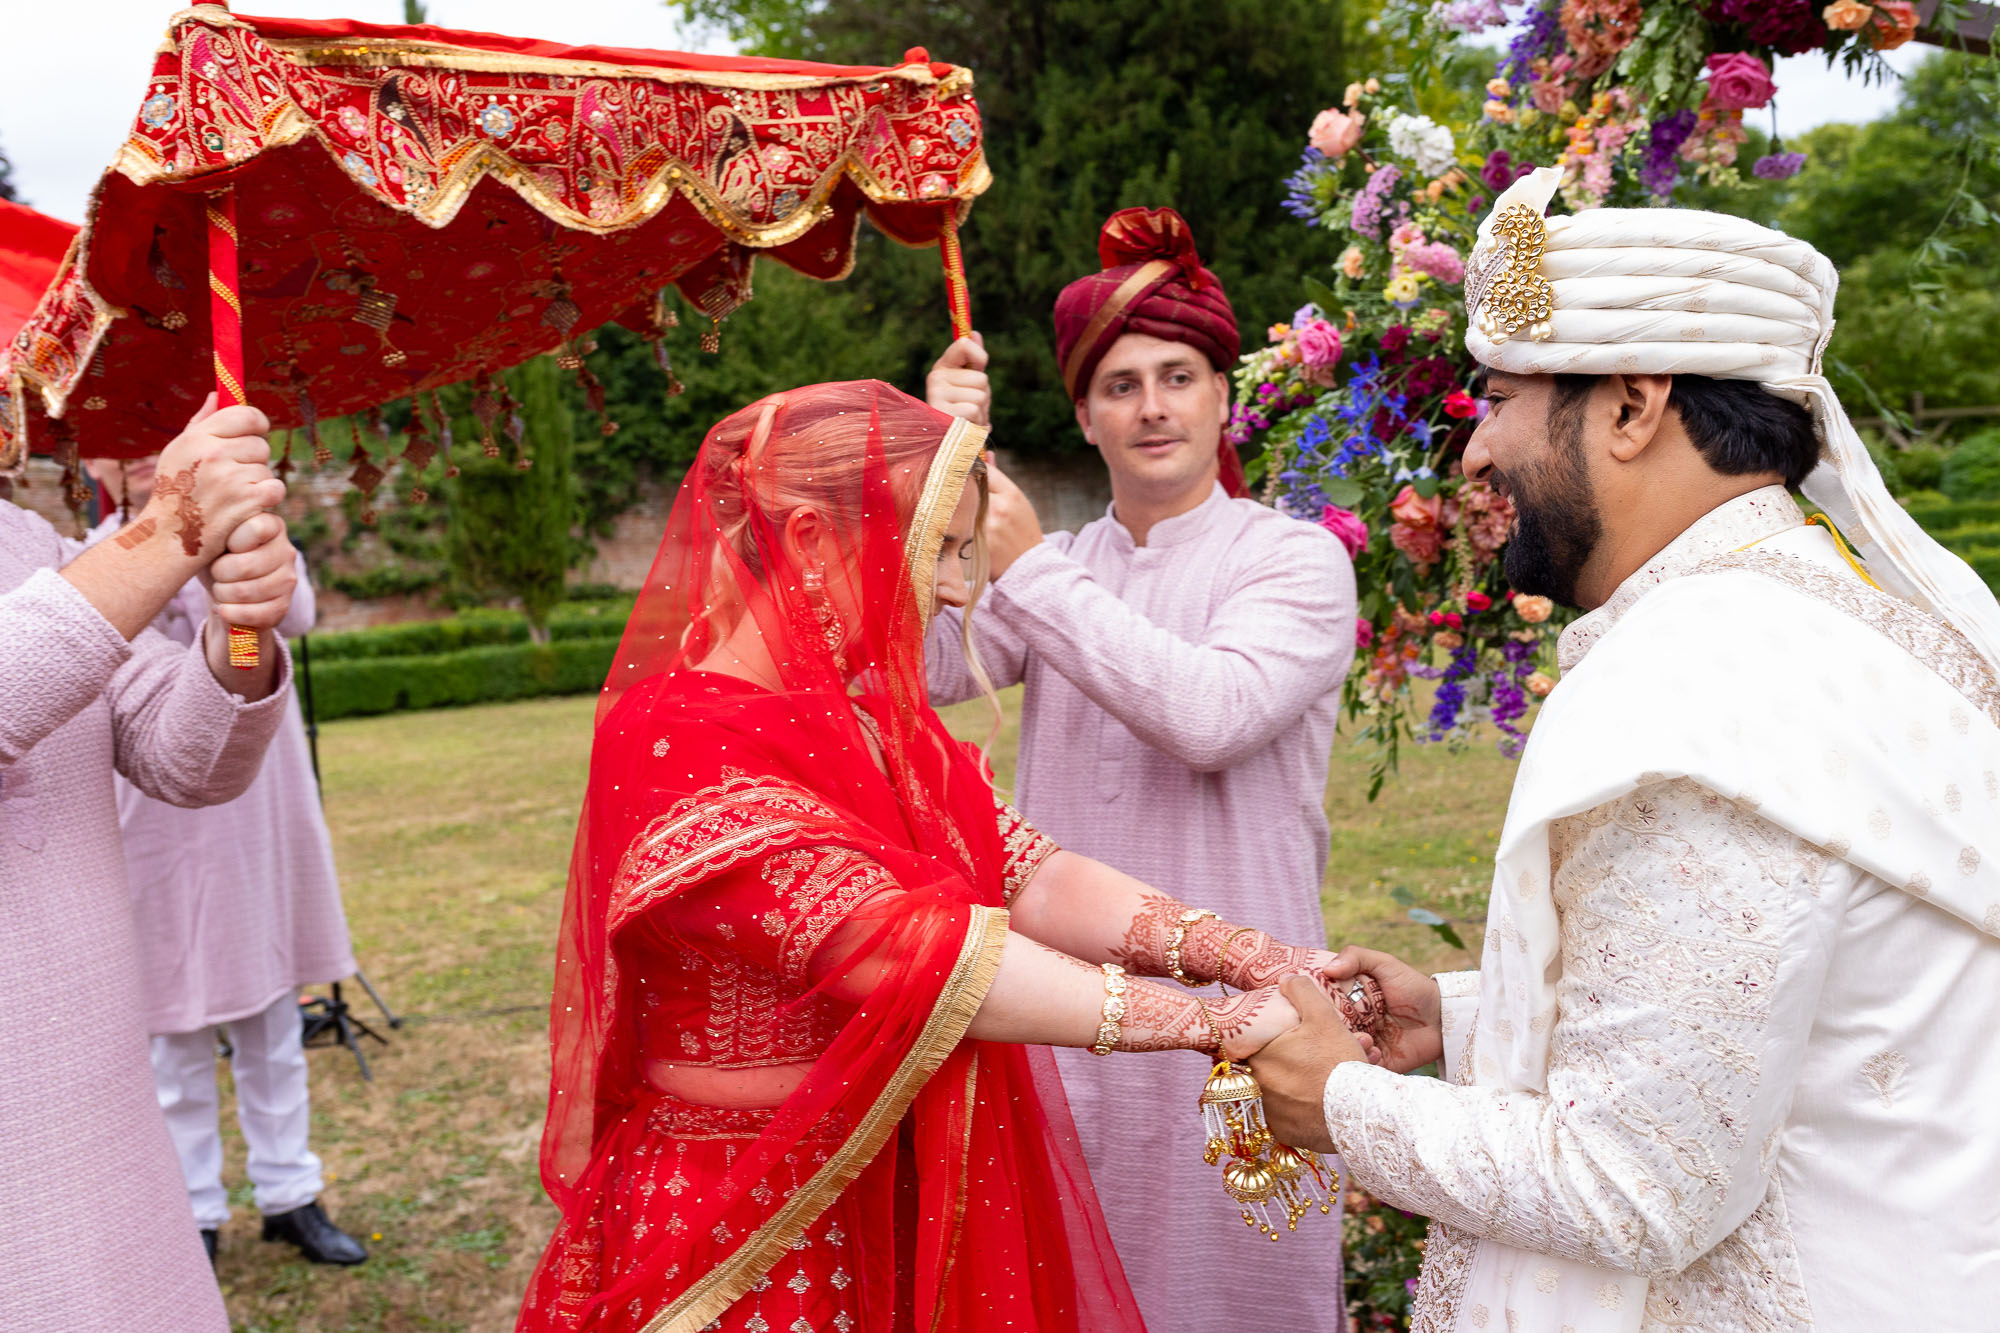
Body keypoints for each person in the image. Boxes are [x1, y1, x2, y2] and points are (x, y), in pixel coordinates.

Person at [1248, 169, 2000, 1331]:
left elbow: (1639, 1183)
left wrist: (1337, 1106)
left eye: (1498, 398)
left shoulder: (1693, 685)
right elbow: (1787, 989)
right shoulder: (1827, 615)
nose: (1474, 455)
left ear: (1632, 405)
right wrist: (1468, 1011)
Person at [515, 381, 1350, 1333]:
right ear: (804, 540)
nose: (960, 587)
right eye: (942, 550)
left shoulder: (879, 730)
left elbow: (1038, 876)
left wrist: (1263, 960)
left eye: (965, 552)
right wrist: (1214, 1024)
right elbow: (917, 956)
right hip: (748, 1215)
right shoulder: (675, 736)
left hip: (901, 1187)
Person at [924, 206, 1358, 1332]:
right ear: (1082, 414)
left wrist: (1028, 576)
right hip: (1065, 1003)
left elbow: (1210, 713)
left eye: (1177, 375)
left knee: (1236, 1293)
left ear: (1223, 396)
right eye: (1120, 384)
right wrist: (926, 479)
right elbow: (916, 671)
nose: (1152, 406)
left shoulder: (1293, 558)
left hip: (1246, 999)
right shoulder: (1055, 566)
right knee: (1066, 1284)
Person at [0, 396, 299, 1332]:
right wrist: (169, 528)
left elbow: (185, 755)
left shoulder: (23, 540)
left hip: (96, 1108)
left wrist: (241, 628)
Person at [83, 454, 365, 1269]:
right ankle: (194, 1208)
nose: (138, 456)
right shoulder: (96, 552)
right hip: (157, 812)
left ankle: (290, 1192)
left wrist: (240, 560)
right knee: (174, 1026)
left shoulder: (248, 537)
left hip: (256, 802)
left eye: (157, 438)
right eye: (122, 443)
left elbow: (297, 616)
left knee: (272, 1015)